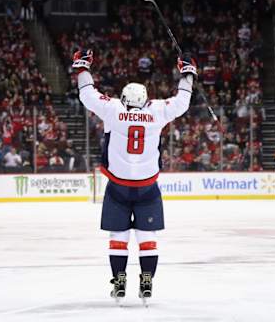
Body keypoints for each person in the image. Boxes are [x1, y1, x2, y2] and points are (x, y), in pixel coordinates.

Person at [72, 49, 196, 303]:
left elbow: (86, 93)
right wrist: (188, 73)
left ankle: (119, 279)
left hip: (117, 186)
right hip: (148, 187)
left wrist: (82, 66)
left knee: (118, 236)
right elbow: (182, 102)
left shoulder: (113, 110)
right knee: (147, 236)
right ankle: (147, 279)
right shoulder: (158, 111)